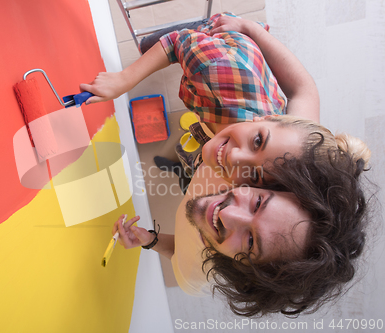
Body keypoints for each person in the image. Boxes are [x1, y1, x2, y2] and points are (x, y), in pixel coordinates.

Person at [80, 13, 370, 187]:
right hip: (222, 47)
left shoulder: (296, 150)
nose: (235, 157)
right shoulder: (215, 71)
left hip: (221, 108)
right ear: (267, 119)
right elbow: (176, 43)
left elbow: (305, 90)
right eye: (258, 142)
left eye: (254, 177)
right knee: (153, 45)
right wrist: (124, 80)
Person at [113, 140, 370, 317]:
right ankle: (181, 171)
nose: (225, 212)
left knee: (187, 189)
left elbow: (181, 254)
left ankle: (181, 174)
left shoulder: (194, 276)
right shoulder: (234, 167)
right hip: (197, 177)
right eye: (258, 203)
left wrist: (150, 241)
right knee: (188, 180)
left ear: (242, 268)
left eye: (249, 242)